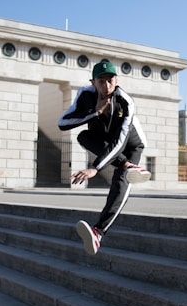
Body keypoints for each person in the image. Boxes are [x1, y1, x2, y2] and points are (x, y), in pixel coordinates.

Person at [58, 61, 151, 255]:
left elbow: (120, 141)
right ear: (93, 82)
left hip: (130, 144)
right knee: (83, 136)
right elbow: (62, 122)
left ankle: (98, 232)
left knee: (121, 181)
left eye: (110, 81)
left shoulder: (125, 102)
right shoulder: (85, 95)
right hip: (105, 140)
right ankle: (130, 167)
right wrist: (95, 112)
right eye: (101, 81)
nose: (106, 87)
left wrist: (95, 168)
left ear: (116, 81)